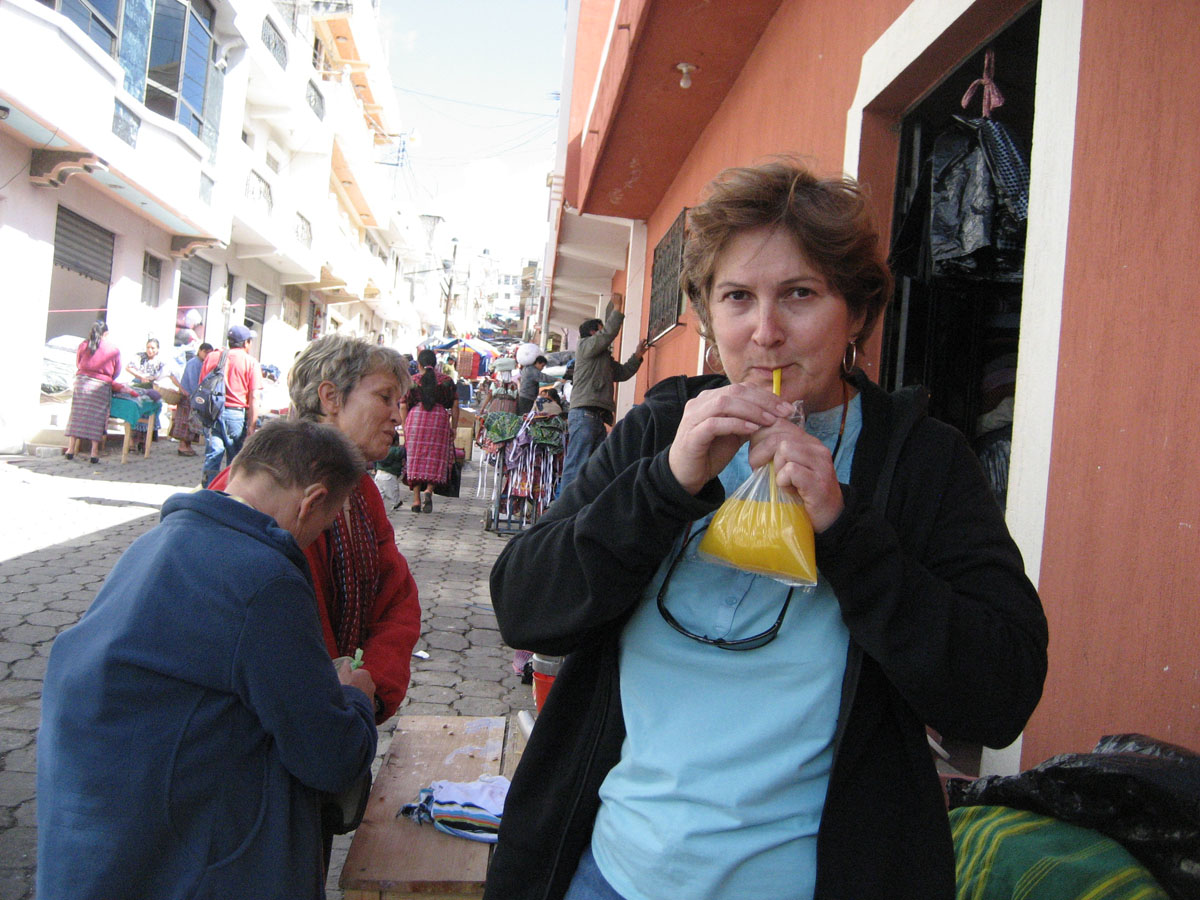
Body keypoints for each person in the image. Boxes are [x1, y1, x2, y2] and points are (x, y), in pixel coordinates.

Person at [484, 160, 1049, 900]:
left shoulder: (921, 460)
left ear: (857, 313)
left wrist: (845, 531)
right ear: (709, 316)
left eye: (801, 294)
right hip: (614, 874)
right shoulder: (660, 430)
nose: (766, 332)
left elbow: (1000, 693)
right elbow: (525, 606)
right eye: (738, 298)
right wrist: (665, 486)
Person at [37, 419, 379, 900]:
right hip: (190, 870)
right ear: (312, 502)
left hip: (95, 852)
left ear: (238, 469)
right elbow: (329, 756)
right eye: (322, 528)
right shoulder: (267, 579)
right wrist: (355, 698)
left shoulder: (152, 544)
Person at [207, 334, 422, 868]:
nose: (398, 416)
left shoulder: (361, 494)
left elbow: (396, 600)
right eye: (385, 397)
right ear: (330, 397)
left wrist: (368, 691)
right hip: (248, 765)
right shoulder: (256, 493)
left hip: (323, 730)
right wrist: (338, 706)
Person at [558, 294, 649, 491]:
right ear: (593, 333)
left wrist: (637, 356)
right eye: (600, 330)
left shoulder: (602, 359)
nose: (605, 338)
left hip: (595, 417)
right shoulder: (585, 345)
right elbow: (608, 334)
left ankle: (580, 504)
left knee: (592, 468)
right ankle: (563, 506)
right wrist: (617, 309)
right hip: (585, 415)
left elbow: (622, 373)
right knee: (577, 465)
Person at [201, 324, 262, 488]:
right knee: (235, 460)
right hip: (235, 415)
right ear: (246, 343)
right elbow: (254, 396)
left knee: (213, 455)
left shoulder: (212, 357)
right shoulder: (250, 362)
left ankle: (208, 491)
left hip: (212, 412)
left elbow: (202, 385)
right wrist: (252, 426)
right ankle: (228, 493)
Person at [401, 347, 458, 513]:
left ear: (419, 364)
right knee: (436, 457)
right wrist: (454, 427)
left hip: (416, 420)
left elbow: (403, 405)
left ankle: (416, 500)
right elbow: (455, 405)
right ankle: (429, 490)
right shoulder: (447, 381)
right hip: (439, 421)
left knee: (415, 458)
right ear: (435, 363)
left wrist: (405, 426)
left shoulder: (412, 381)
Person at [64, 321, 120, 464]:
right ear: (106, 333)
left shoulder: (84, 345)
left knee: (77, 414)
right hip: (101, 386)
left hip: (82, 383)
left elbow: (78, 363)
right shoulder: (113, 349)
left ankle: (71, 449)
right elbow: (116, 371)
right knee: (97, 418)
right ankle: (94, 452)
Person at [168, 341, 212, 456]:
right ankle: (182, 446)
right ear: (200, 351)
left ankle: (188, 445)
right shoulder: (194, 363)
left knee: (192, 423)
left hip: (194, 397)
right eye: (205, 352)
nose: (206, 355)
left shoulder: (201, 363)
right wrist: (196, 396)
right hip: (188, 396)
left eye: (209, 353)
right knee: (185, 422)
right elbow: (193, 382)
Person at [125, 336, 169, 450]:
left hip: (151, 389)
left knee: (151, 411)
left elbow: (166, 375)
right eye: (148, 347)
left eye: (153, 348)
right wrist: (140, 376)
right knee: (134, 410)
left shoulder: (161, 362)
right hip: (137, 387)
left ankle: (144, 441)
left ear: (157, 349)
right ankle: (131, 441)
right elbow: (128, 367)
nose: (150, 350)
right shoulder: (139, 357)